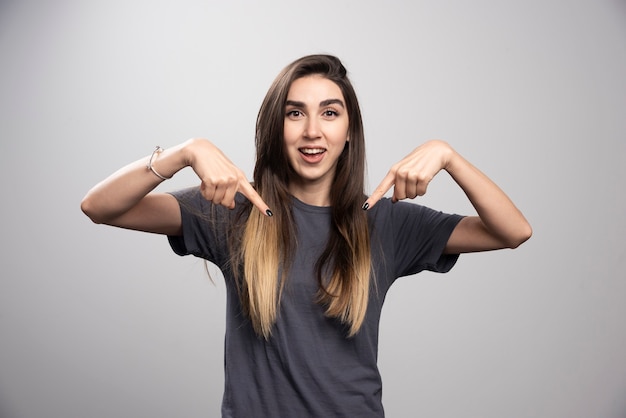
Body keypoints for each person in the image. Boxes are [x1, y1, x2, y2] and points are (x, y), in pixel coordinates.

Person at [81, 54, 531, 417]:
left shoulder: (386, 221)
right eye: (295, 113)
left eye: (330, 113)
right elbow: (99, 206)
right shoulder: (234, 211)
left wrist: (448, 156)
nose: (312, 130)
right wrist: (183, 152)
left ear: (348, 129)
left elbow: (513, 230)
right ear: (277, 127)